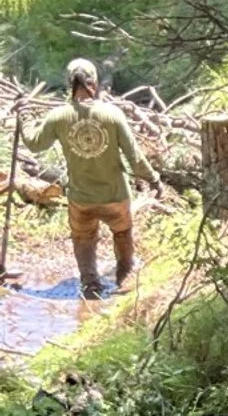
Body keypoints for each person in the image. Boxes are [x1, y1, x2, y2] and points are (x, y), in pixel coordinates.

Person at [16, 59, 159, 299]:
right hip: (115, 195)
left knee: (83, 239)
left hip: (81, 198)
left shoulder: (59, 116)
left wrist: (25, 118)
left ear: (68, 84)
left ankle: (90, 287)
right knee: (122, 234)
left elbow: (34, 143)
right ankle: (125, 283)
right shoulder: (112, 114)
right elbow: (135, 158)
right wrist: (154, 179)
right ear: (94, 82)